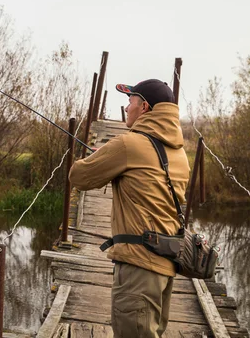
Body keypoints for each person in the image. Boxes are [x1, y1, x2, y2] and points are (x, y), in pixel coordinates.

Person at [69, 79, 190, 338]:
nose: (126, 107)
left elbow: (79, 177)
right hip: (165, 264)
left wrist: (99, 156)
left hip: (139, 267)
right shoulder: (179, 153)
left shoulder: (128, 144)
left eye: (130, 100)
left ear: (144, 107)